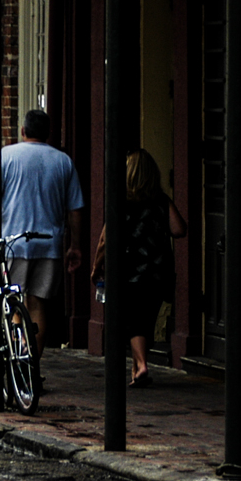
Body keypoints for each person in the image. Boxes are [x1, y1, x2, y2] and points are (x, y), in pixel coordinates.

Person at [0, 108, 84, 366]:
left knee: (12, 301)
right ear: (48, 133)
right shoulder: (63, 161)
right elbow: (74, 210)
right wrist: (75, 246)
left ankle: (18, 356)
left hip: (13, 242)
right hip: (49, 244)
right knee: (37, 304)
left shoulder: (5, 156)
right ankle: (31, 366)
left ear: (23, 131)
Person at [90, 148, 186, 388]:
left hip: (128, 269)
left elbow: (105, 240)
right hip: (157, 270)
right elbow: (179, 229)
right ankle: (136, 369)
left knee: (132, 320)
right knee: (144, 319)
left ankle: (141, 364)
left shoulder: (121, 202)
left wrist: (96, 267)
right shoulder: (161, 201)